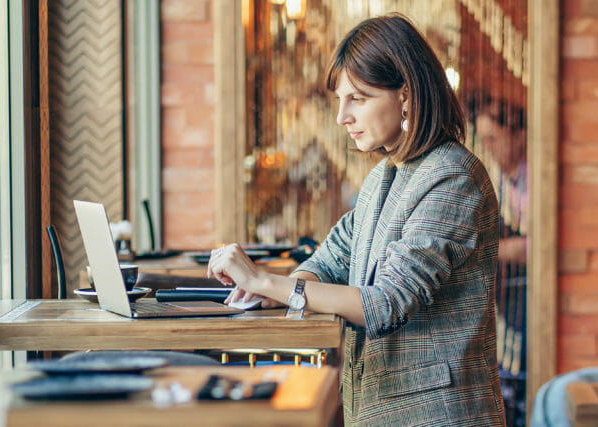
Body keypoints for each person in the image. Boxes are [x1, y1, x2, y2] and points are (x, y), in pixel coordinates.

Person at [208, 13, 506, 426]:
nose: (341, 117)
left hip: (438, 415)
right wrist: (272, 292)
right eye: (339, 101)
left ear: (405, 95)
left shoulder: (453, 177)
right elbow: (329, 262)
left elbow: (387, 303)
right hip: (378, 408)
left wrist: (267, 282)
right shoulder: (384, 177)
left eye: (358, 99)